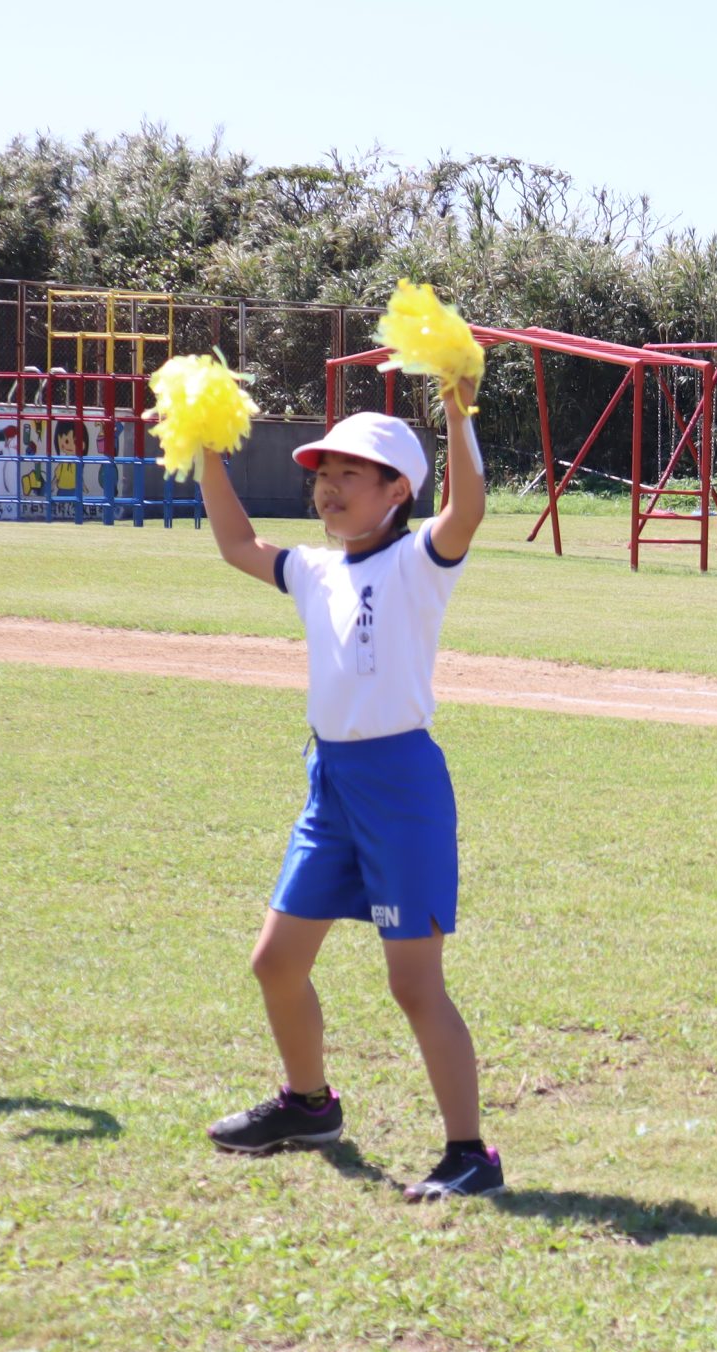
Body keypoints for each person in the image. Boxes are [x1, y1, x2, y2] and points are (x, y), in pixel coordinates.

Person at [195, 392, 502, 1202]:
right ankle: (308, 1105)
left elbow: (468, 506)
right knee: (276, 961)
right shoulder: (314, 567)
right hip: (330, 785)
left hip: (402, 787)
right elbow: (235, 542)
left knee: (414, 984)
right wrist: (205, 448)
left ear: (398, 489)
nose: (327, 487)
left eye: (349, 474)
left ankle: (471, 1153)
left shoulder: (419, 560)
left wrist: (459, 416)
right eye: (321, 474)